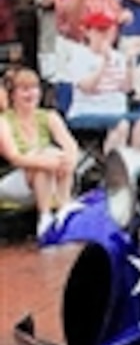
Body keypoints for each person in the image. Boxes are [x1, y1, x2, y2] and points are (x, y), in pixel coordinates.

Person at [0, 67, 79, 237]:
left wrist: (68, 161)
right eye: (24, 90)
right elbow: (15, 158)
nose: (31, 94)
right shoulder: (4, 121)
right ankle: (45, 215)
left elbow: (70, 145)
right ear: (13, 94)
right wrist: (47, 161)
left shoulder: (49, 116)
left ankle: (62, 206)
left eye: (34, 88)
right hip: (13, 180)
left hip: (50, 176)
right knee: (44, 158)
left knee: (54, 155)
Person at [65, 12, 140, 154]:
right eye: (99, 31)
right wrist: (105, 62)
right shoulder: (79, 56)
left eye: (107, 31)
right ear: (88, 32)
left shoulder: (119, 57)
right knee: (120, 125)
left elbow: (127, 88)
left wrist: (130, 64)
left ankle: (137, 166)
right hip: (87, 111)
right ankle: (114, 171)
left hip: (116, 109)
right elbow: (87, 87)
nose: (104, 35)